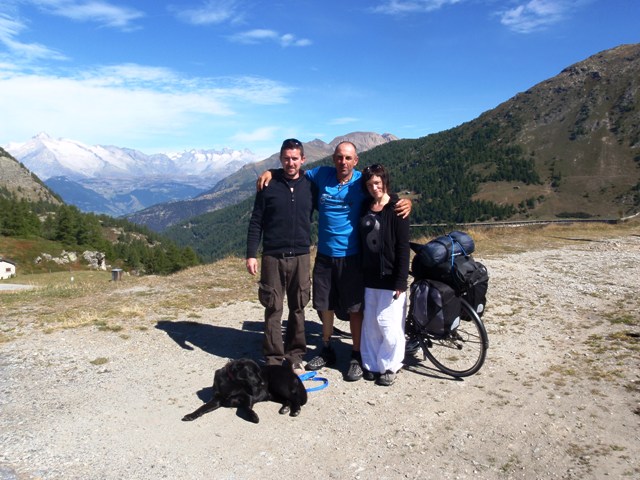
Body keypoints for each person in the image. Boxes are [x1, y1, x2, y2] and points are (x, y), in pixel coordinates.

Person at [258, 141, 411, 382]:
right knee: (325, 304)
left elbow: (380, 191)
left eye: (348, 158)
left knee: (354, 308)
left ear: (356, 161)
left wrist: (404, 201)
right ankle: (327, 348)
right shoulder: (320, 175)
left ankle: (356, 354)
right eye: (339, 157)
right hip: (325, 255)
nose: (343, 162)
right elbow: (293, 170)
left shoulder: (362, 181)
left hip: (352, 256)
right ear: (333, 158)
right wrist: (271, 172)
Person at [246, 138, 314, 376]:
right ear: (280, 159)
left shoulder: (311, 184)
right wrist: (251, 254)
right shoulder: (268, 185)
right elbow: (256, 221)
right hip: (272, 255)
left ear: (303, 159)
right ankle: (274, 358)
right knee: (273, 306)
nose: (290, 163)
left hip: (302, 255)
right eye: (286, 158)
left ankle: (295, 355)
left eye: (295, 158)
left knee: (298, 305)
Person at [359, 164, 410, 386]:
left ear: (385, 182)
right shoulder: (365, 206)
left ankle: (390, 366)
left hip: (391, 277)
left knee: (389, 324)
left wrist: (400, 279)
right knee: (370, 324)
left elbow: (403, 247)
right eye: (370, 184)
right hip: (369, 276)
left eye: (377, 183)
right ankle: (370, 364)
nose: (374, 187)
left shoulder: (397, 208)